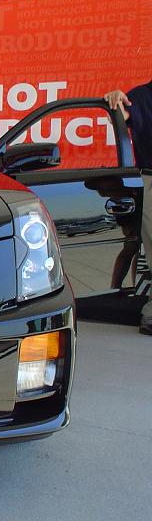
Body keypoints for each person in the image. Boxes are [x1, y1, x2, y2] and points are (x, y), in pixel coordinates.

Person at [105, 81, 152, 333]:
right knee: (141, 247)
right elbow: (120, 115)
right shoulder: (140, 96)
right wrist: (115, 100)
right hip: (150, 178)